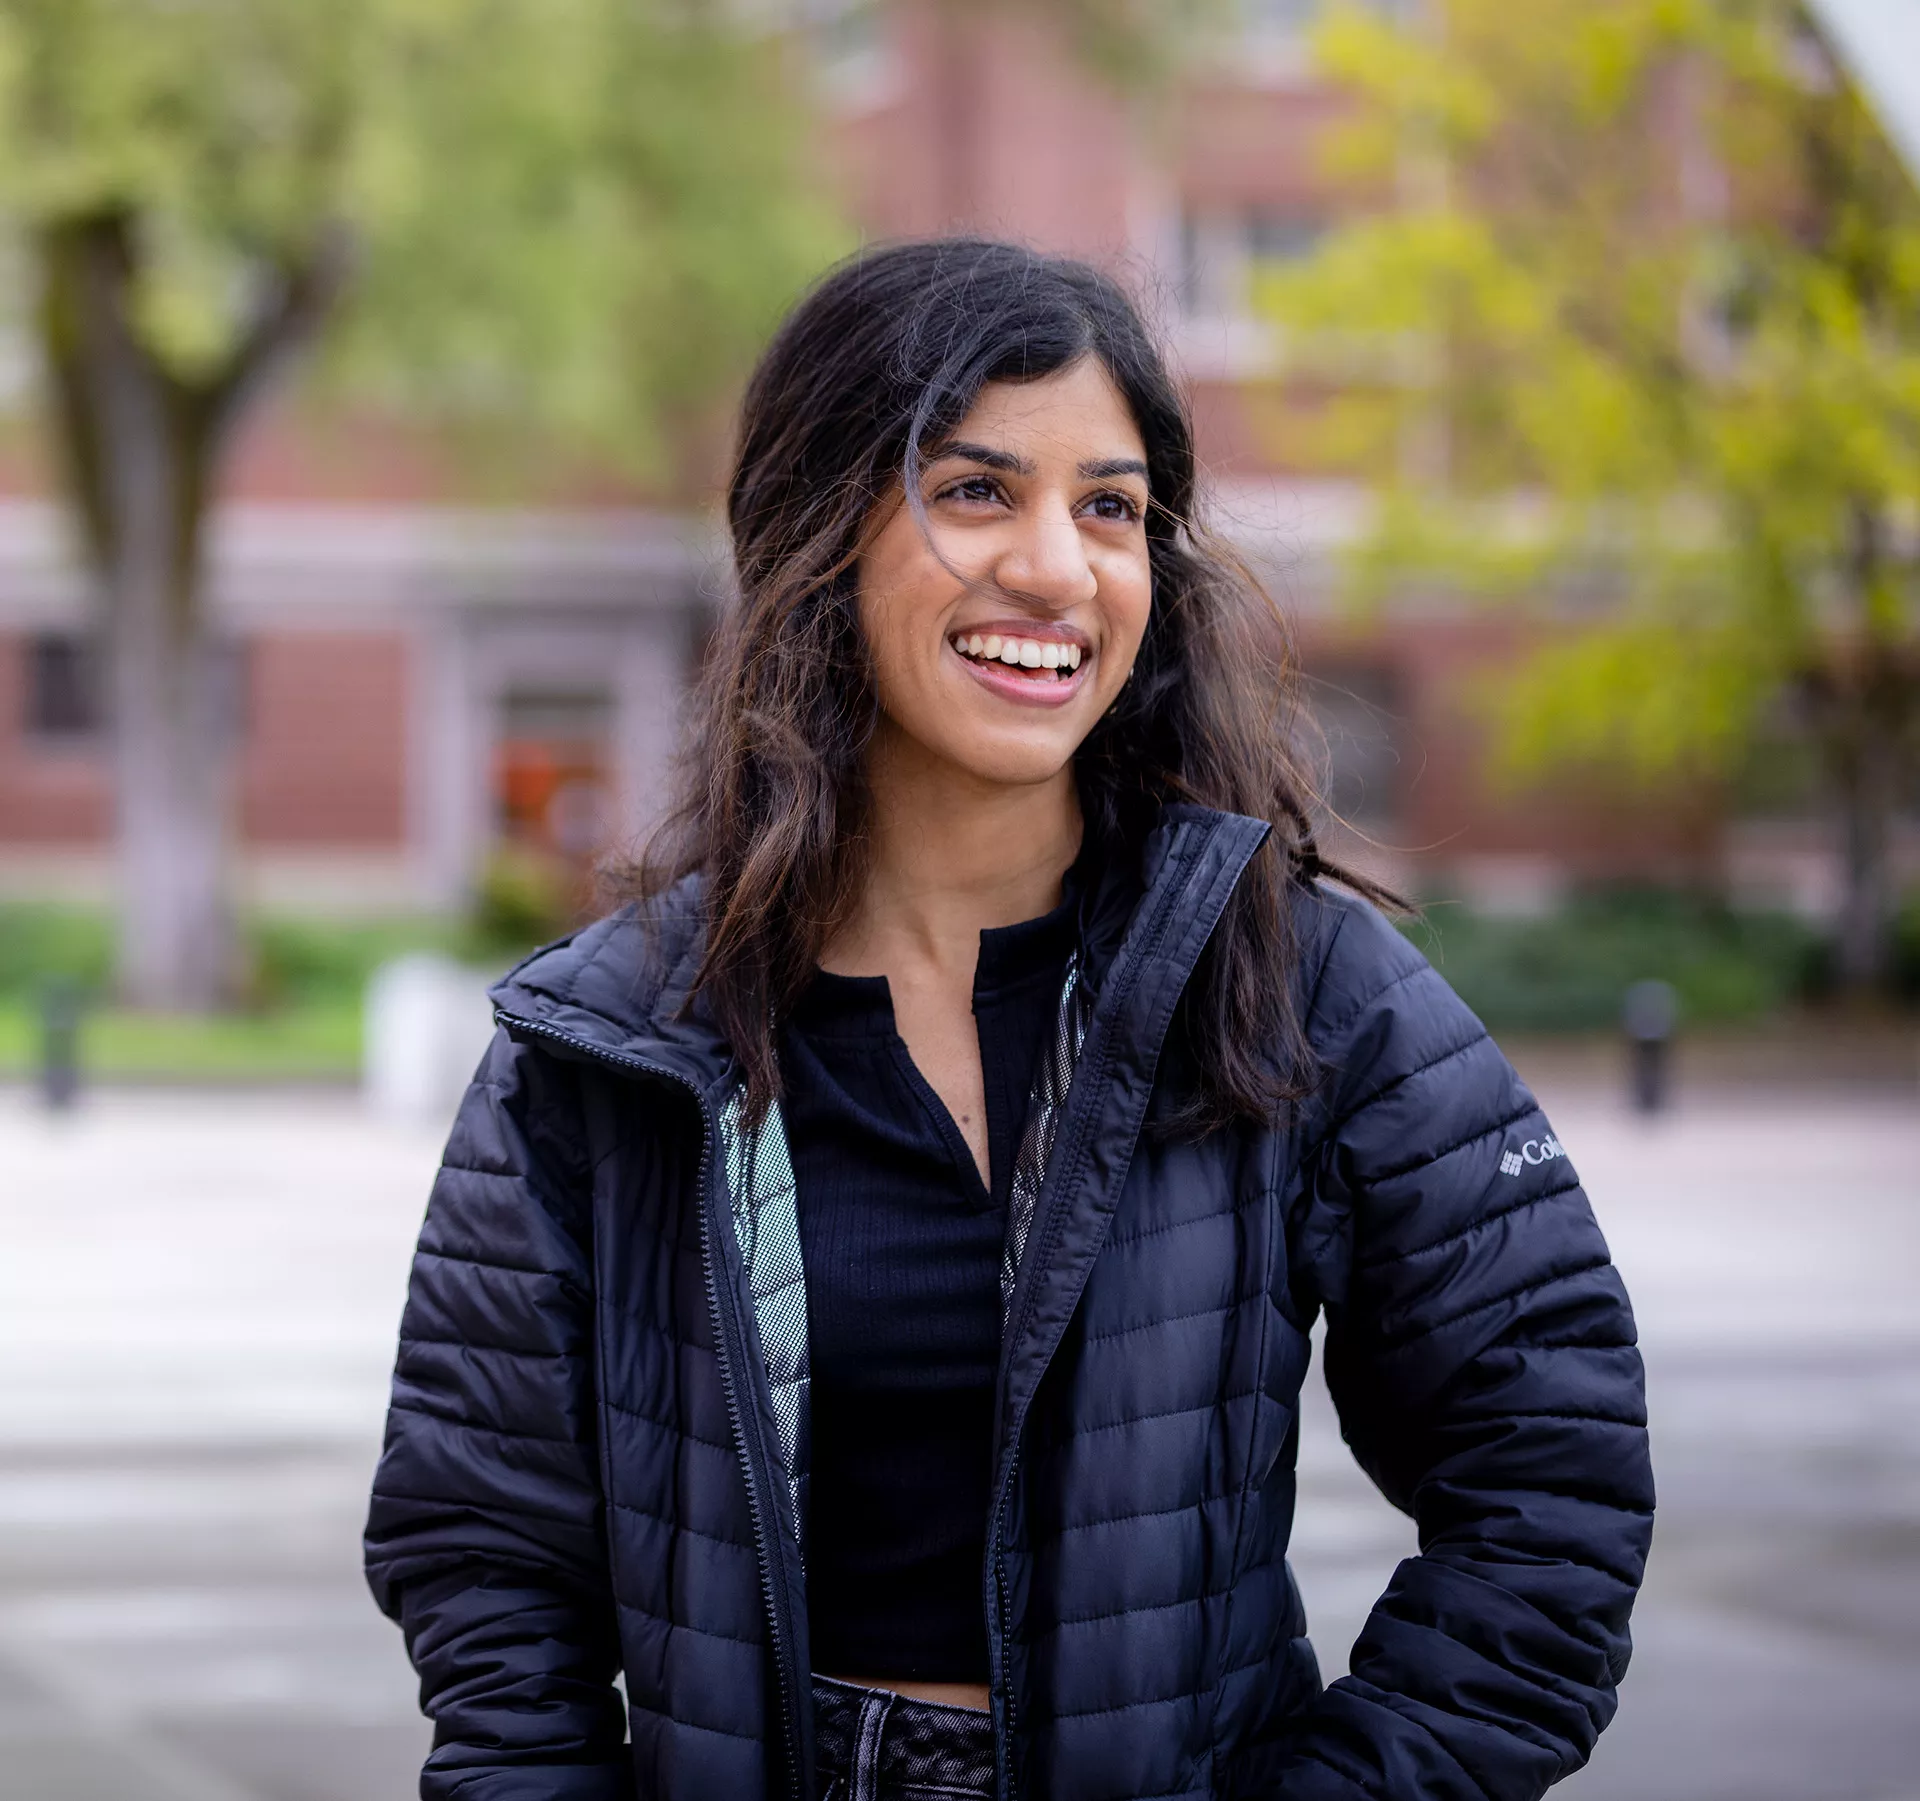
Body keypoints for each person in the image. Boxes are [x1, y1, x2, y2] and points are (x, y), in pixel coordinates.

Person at [365, 238, 1653, 1801]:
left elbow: (1553, 1472)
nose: (1058, 567)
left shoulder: (1299, 983)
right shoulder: (614, 1039)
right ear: (815, 535)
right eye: (978, 490)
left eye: (1110, 507)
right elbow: (486, 1551)